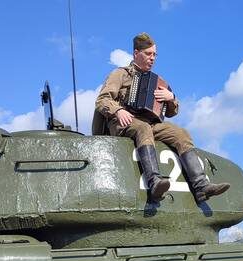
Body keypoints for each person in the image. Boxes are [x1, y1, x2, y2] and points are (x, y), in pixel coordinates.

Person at [95, 32, 229, 203]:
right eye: (148, 54)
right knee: (143, 129)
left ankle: (201, 186)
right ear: (136, 53)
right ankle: (154, 182)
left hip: (150, 124)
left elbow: (172, 112)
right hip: (123, 122)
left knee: (181, 133)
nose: (153, 58)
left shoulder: (158, 81)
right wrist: (118, 111)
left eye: (154, 55)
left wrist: (171, 98)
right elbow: (102, 100)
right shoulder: (120, 74)